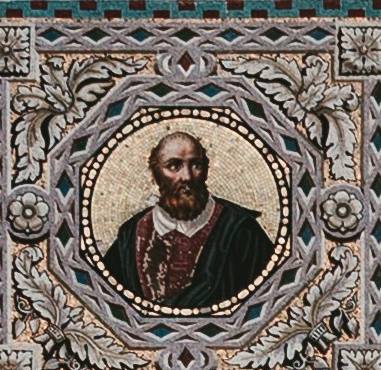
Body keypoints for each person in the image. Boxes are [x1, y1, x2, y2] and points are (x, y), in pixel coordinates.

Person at [101, 128, 278, 308]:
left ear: (206, 171)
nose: (187, 176)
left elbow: (269, 300)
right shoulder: (132, 235)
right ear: (156, 174)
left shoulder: (241, 231)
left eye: (196, 165)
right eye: (174, 166)